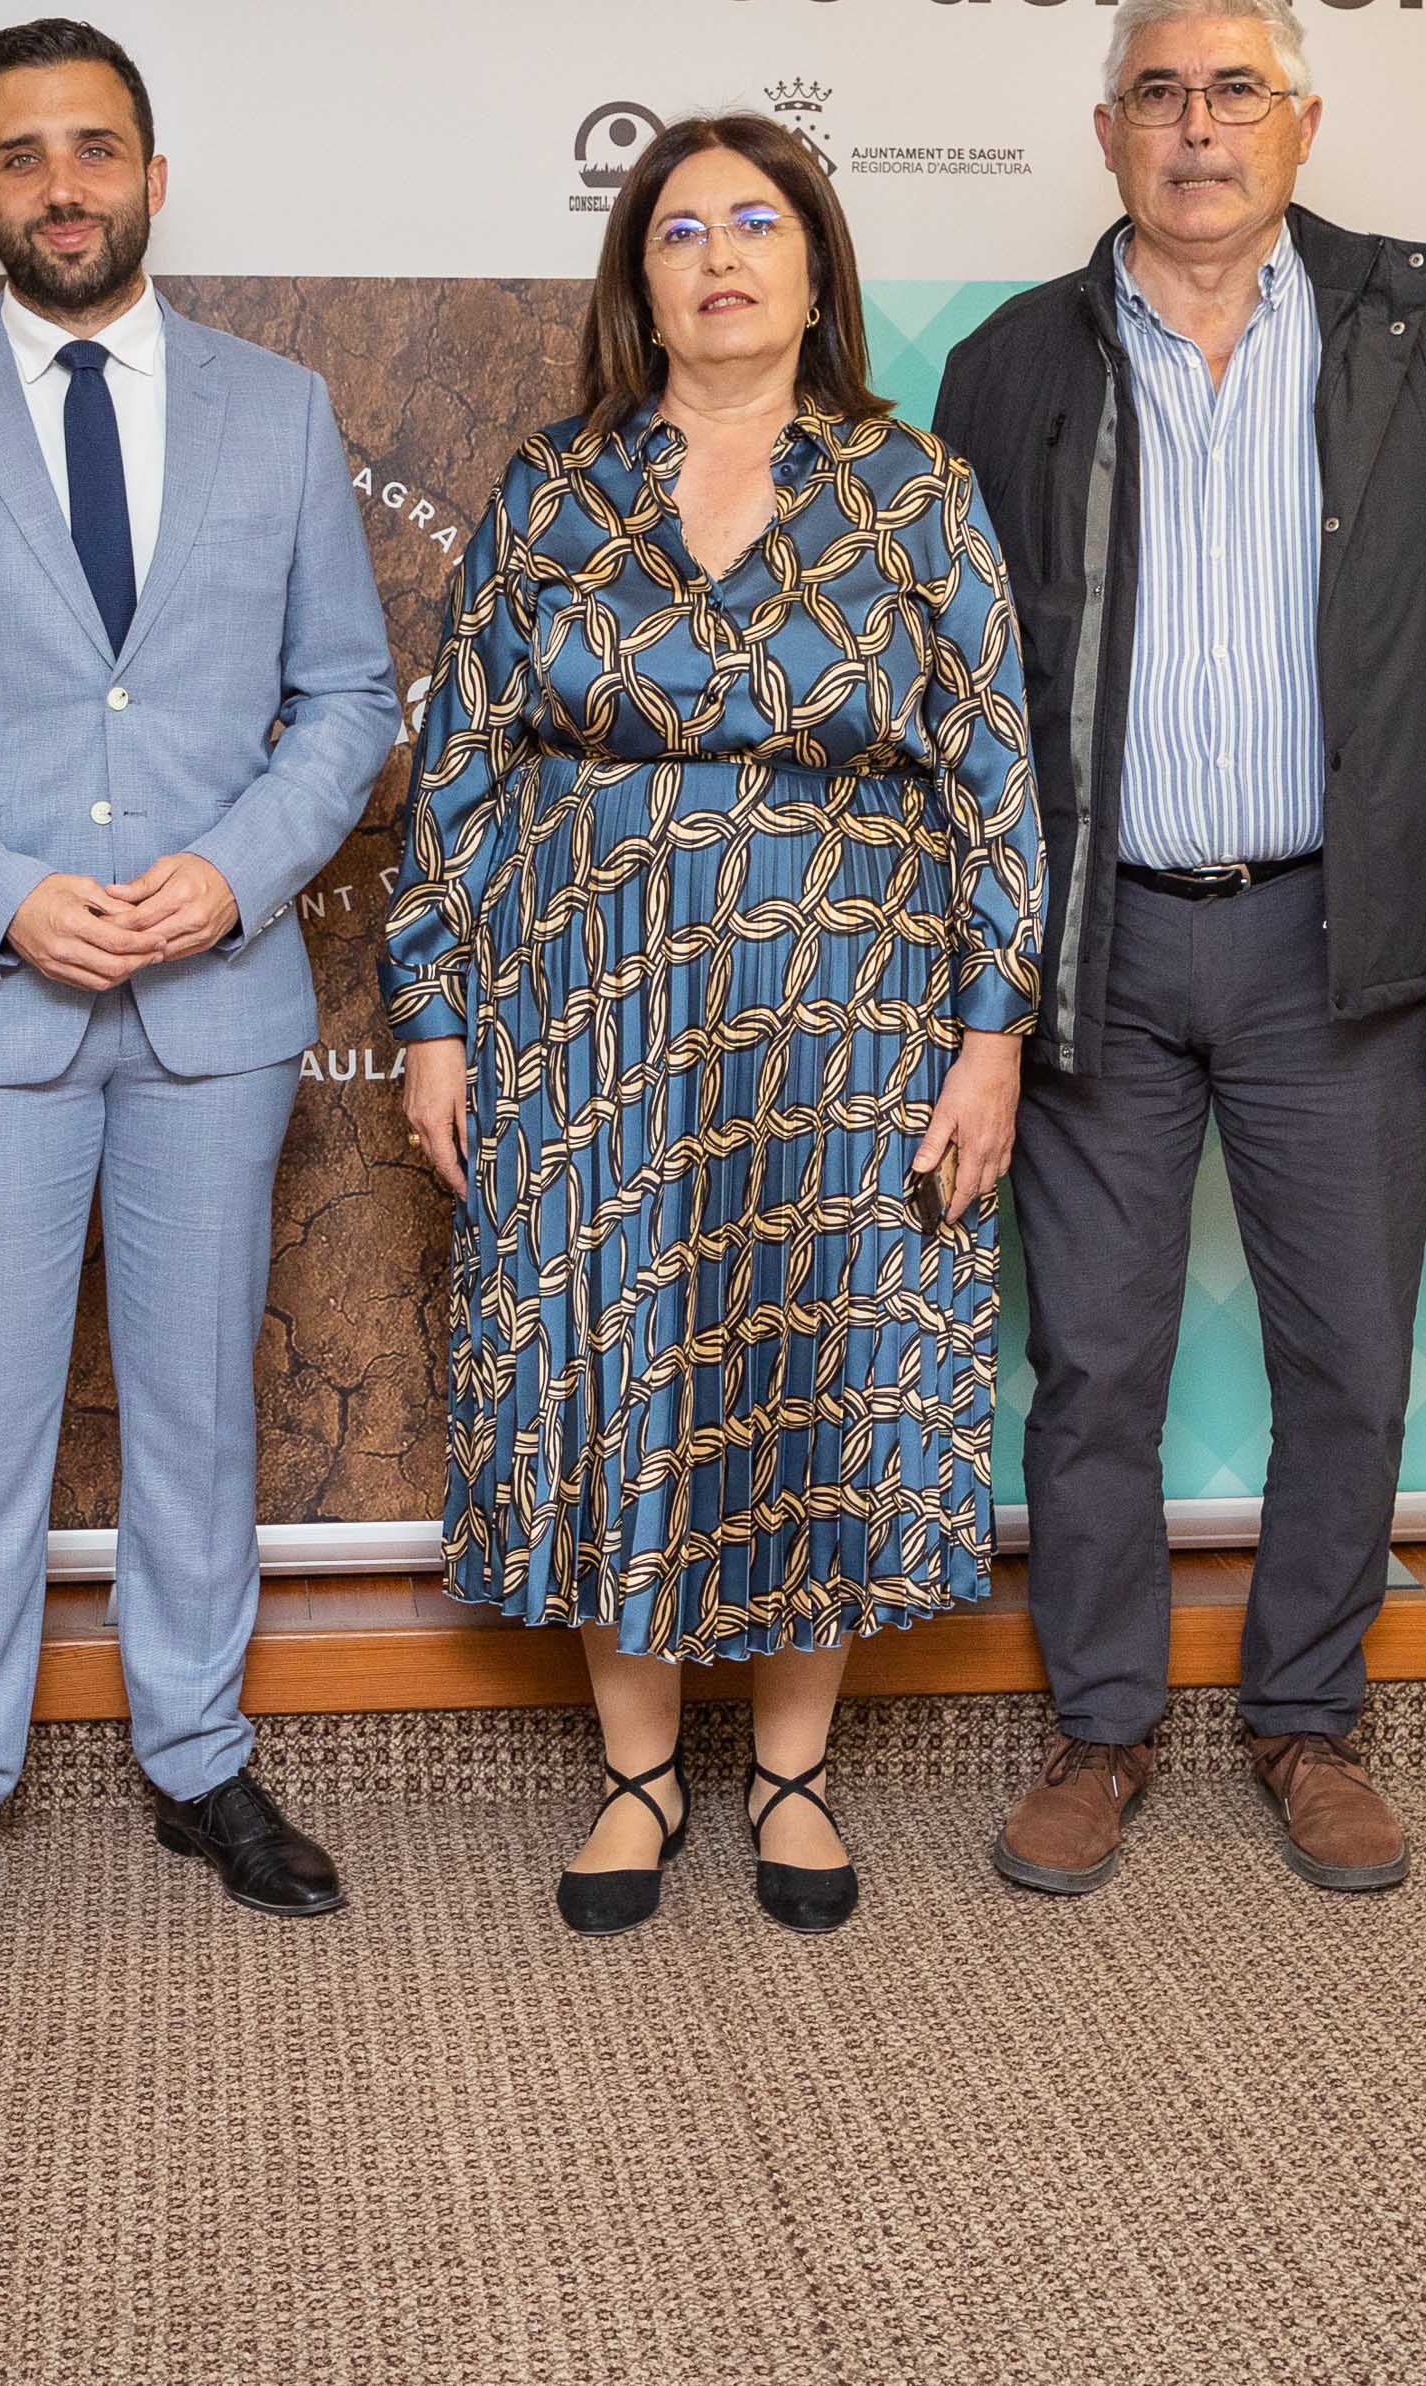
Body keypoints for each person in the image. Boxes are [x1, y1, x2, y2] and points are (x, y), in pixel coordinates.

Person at [931, 0, 1426, 1903]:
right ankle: (1101, 1733)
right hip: (1096, 949)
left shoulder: (1408, 336)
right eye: (1158, 93)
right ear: (1106, 132)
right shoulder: (1015, 363)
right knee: (1097, 1370)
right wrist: (983, 960)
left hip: (1337, 944)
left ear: (1303, 122)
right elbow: (961, 691)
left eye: (1235, 90)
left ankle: (1307, 1723)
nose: (1197, 126)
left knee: (1350, 1361)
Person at [387, 113, 1043, 1938]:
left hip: (853, 1017)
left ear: (818, 271)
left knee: (815, 1349)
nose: (722, 256)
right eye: (682, 231)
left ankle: (795, 1777)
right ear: (639, 280)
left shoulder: (915, 490)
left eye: (759, 223)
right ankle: (634, 1776)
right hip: (590, 1011)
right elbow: (453, 769)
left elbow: (998, 775)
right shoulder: (547, 491)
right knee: (622, 1359)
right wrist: (433, 1014)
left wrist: (989, 1029)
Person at [0, 19, 398, 1966]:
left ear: (154, 169)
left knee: (198, 1407)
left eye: (97, 147)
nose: (64, 183)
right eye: (23, 155)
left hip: (214, 1006)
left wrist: (235, 873)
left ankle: (200, 1753)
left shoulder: (278, 411)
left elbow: (349, 705)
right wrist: (0, 902)